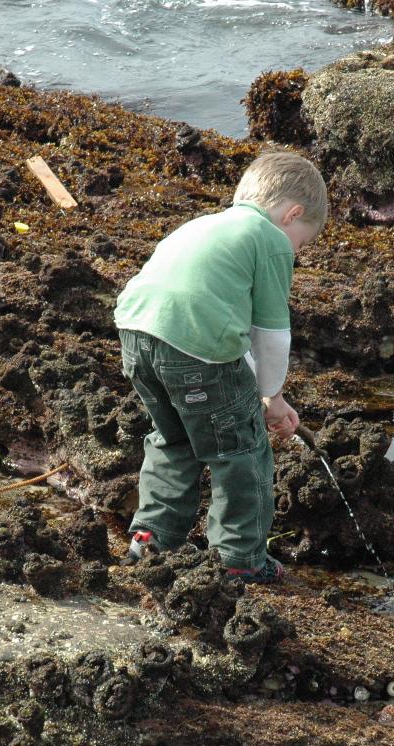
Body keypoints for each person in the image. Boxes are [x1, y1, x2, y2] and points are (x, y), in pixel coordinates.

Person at [113, 150, 327, 583]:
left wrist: (258, 390)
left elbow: (226, 330)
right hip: (194, 349)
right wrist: (273, 397)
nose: (296, 252)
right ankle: (239, 559)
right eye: (302, 243)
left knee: (175, 439)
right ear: (292, 214)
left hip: (135, 333)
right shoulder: (268, 239)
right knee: (241, 449)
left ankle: (151, 539)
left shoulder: (203, 225)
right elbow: (269, 334)